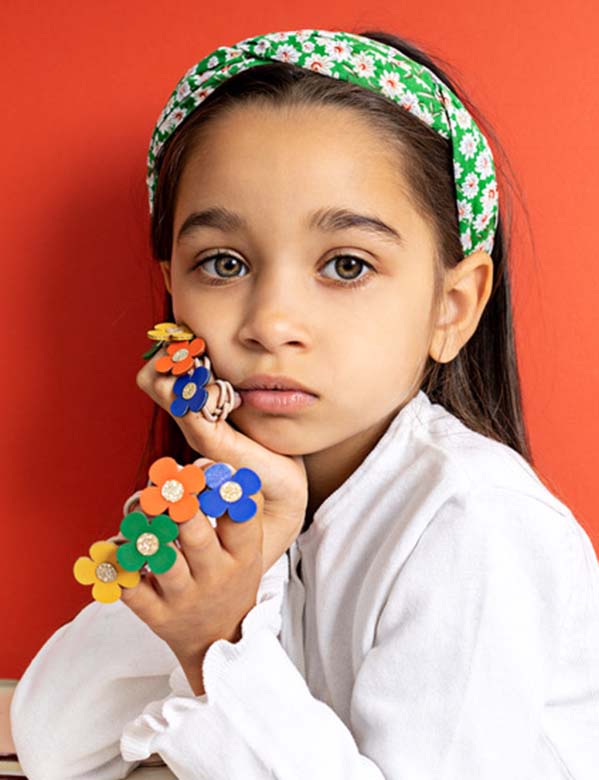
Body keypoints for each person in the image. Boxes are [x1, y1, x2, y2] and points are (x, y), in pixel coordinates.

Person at [10, 27, 599, 780]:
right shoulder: (255, 495)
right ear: (172, 292)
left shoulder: (476, 520)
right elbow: (58, 745)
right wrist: (241, 548)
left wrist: (217, 642)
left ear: (451, 306)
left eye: (346, 265)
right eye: (222, 264)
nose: (268, 322)